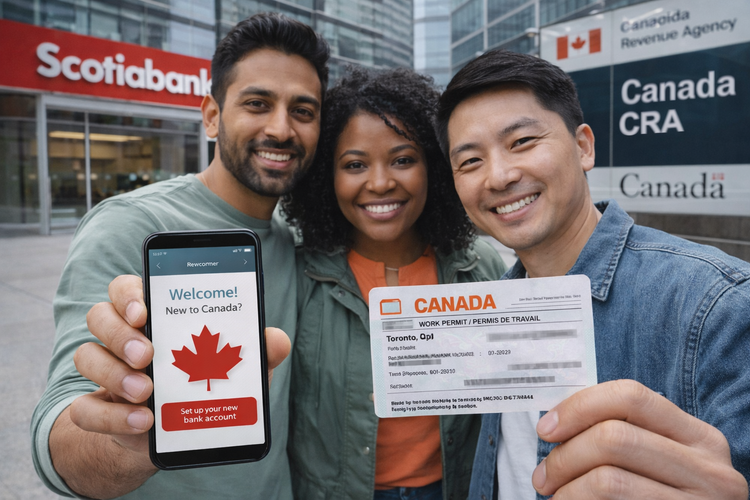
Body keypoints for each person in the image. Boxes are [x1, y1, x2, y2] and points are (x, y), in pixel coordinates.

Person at [30, 13, 329, 499]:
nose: (281, 128)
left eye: (303, 111)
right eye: (257, 103)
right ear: (212, 115)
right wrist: (129, 443)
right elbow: (63, 431)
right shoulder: (129, 224)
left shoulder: (294, 238)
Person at [435, 49, 750, 499]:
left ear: (583, 146)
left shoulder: (718, 306)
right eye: (470, 162)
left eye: (522, 141)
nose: (500, 176)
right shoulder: (493, 308)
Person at [281, 67, 507, 500]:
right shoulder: (297, 274)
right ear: (327, 177)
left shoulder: (481, 268)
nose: (381, 182)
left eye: (403, 159)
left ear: (435, 168)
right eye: (354, 165)